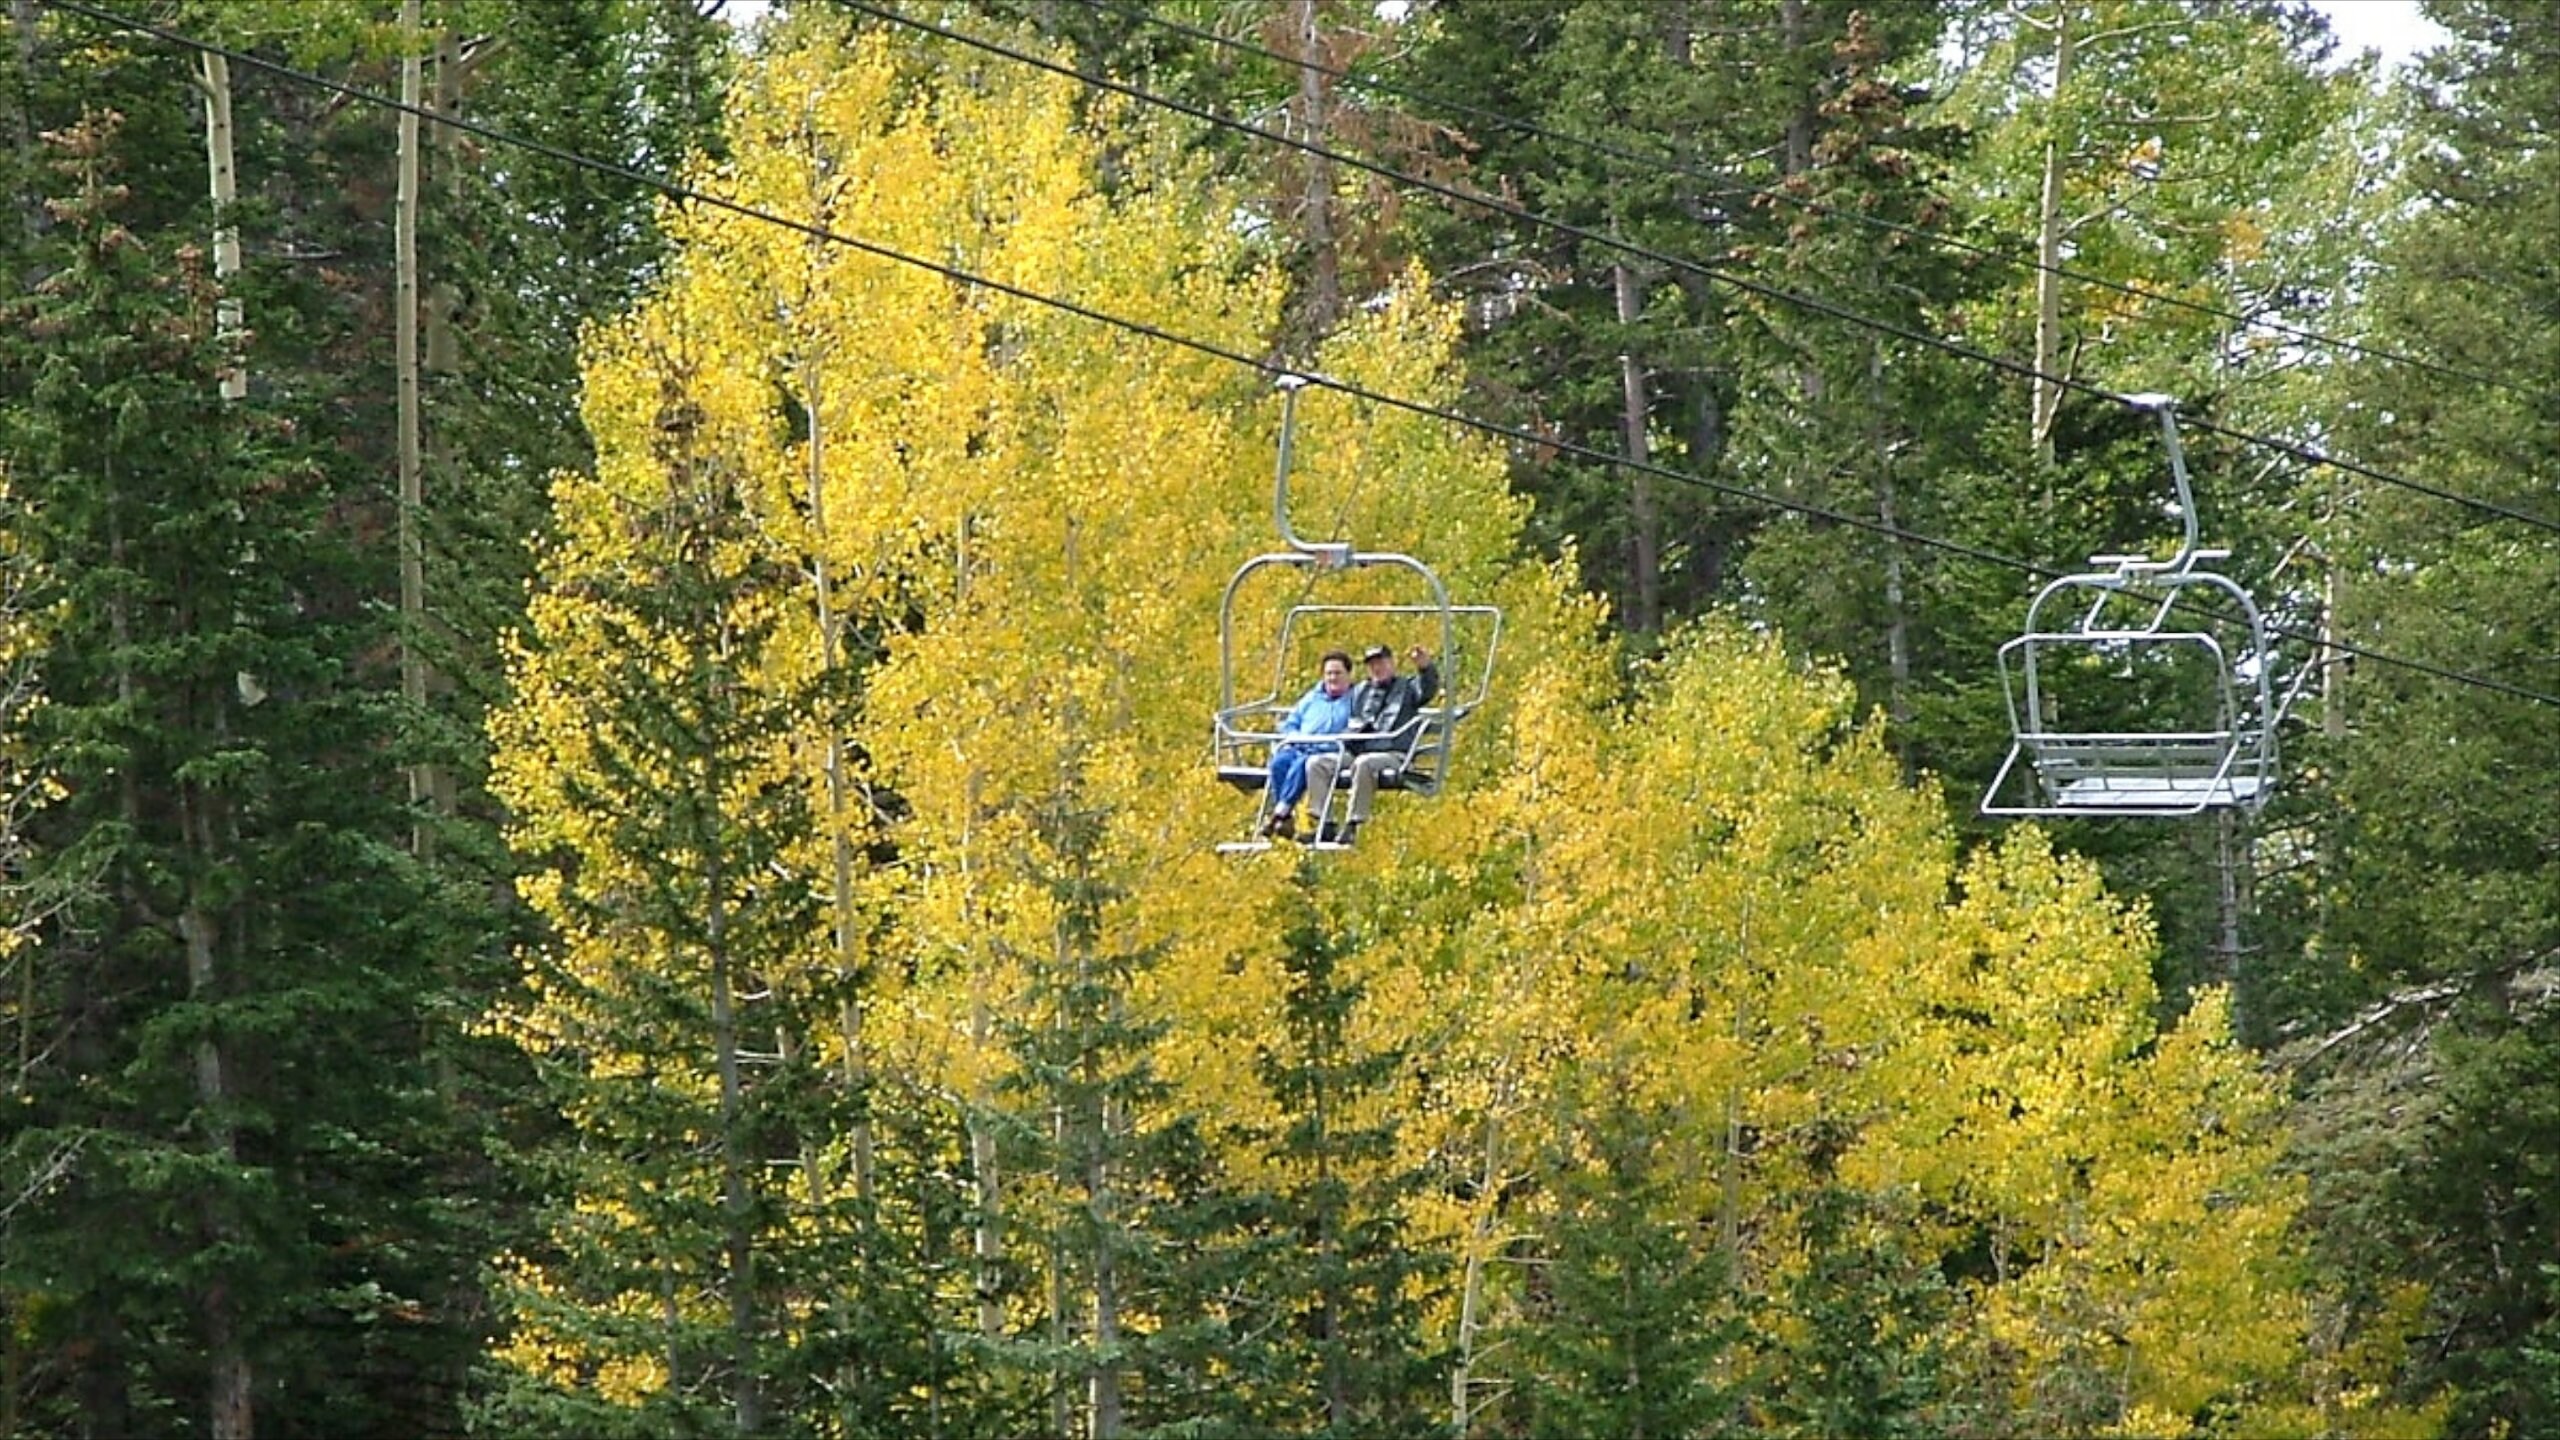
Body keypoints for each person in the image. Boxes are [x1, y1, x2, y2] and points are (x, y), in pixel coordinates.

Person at [1305, 644, 1438, 846]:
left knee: (1364, 764)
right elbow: (1339, 705)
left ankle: (1352, 823)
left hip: (1393, 753)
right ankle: (1326, 823)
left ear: (1392, 663)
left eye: (1382, 663)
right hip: (1360, 750)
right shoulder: (1362, 691)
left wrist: (1425, 667)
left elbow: (1427, 689)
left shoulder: (1408, 688)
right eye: (1373, 665)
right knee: (1316, 763)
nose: (1378, 668)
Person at [1258, 649, 1356, 840]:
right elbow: (1291, 722)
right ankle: (1284, 816)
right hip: (1303, 745)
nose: (1332, 678)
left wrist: (1326, 743)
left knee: (1303, 764)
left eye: (1337, 673)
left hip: (1330, 750)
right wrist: (1294, 736)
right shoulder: (1312, 698)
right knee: (1280, 762)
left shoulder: (1355, 699)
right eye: (1329, 673)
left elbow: (1358, 727)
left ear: (1348, 675)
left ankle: (1281, 813)